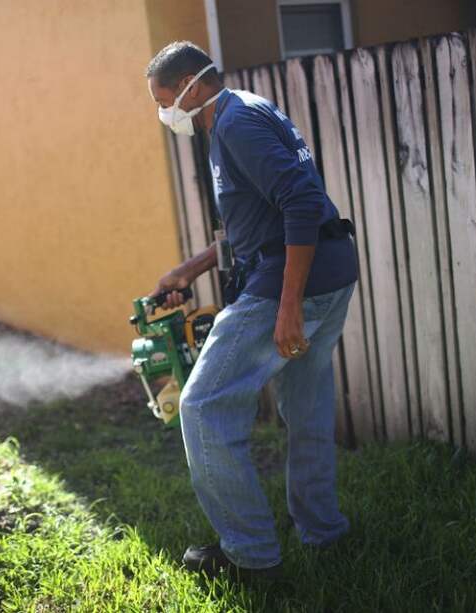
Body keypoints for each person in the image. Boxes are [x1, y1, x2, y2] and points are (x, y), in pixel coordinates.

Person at [145, 41, 359, 582]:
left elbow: (302, 204)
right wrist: (190, 270)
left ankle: (250, 555)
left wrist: (287, 306)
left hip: (294, 285)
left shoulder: (234, 125)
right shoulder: (245, 110)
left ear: (191, 85)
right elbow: (260, 220)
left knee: (203, 406)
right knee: (306, 408)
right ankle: (324, 532)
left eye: (164, 99)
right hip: (332, 270)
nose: (164, 113)